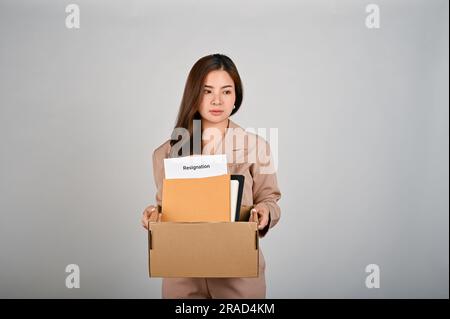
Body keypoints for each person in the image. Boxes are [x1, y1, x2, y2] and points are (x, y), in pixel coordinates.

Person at [141, 53, 281, 298]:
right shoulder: (166, 152)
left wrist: (266, 213)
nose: (217, 100)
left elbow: (269, 199)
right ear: (194, 95)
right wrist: (154, 215)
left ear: (236, 97)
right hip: (182, 273)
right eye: (207, 91)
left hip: (238, 272)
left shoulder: (257, 147)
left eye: (226, 91)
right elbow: (166, 208)